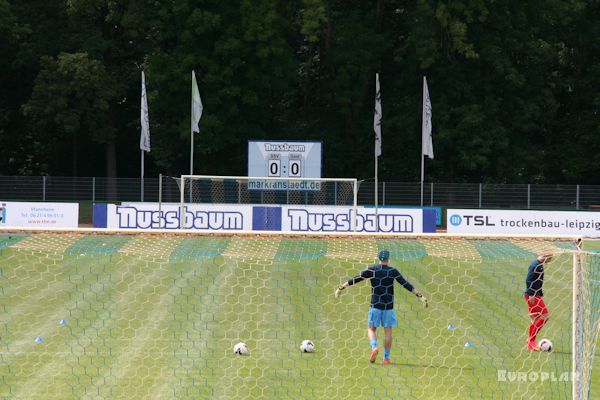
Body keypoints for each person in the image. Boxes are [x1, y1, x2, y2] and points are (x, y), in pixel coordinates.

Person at [334, 250, 428, 364]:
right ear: (388, 259)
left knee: (371, 329)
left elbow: (356, 278)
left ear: (378, 259)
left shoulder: (373, 270)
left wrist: (341, 288)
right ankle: (386, 358)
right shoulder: (393, 271)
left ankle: (374, 347)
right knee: (388, 332)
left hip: (375, 305)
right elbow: (405, 284)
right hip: (388, 306)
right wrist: (420, 295)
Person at [524, 252, 553, 351]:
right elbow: (528, 280)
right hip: (533, 295)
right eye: (550, 258)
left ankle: (530, 344)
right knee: (545, 316)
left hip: (536, 294)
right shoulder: (535, 265)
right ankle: (531, 340)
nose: (550, 260)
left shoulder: (539, 265)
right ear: (545, 256)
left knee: (535, 318)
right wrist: (532, 294)